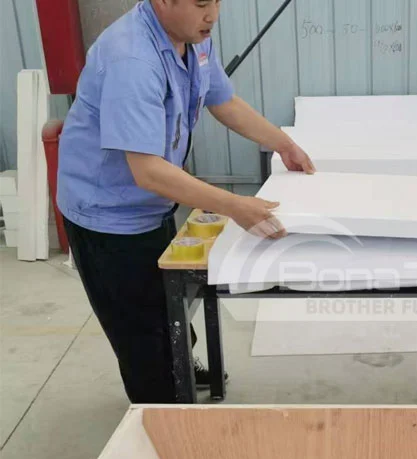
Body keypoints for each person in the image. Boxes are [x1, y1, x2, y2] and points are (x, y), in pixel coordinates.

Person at [57, 0, 315, 403]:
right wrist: (235, 206)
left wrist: (284, 144)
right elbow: (148, 171)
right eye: (200, 3)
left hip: (151, 204)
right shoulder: (132, 60)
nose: (212, 14)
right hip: (107, 216)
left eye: (216, 1)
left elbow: (223, 100)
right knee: (140, 333)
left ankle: (179, 367)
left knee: (168, 309)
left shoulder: (193, 37)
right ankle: (161, 410)